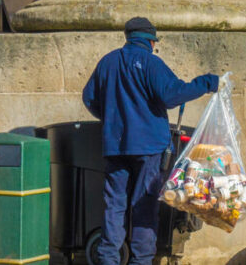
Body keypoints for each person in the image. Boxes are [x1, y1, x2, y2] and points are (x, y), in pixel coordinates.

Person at [82, 17, 219, 265]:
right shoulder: (151, 63)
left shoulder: (107, 62)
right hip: (149, 147)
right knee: (144, 206)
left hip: (115, 147)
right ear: (151, 41)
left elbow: (89, 97)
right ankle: (141, 261)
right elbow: (172, 95)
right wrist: (207, 82)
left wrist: (111, 118)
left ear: (128, 37)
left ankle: (108, 260)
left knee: (114, 207)